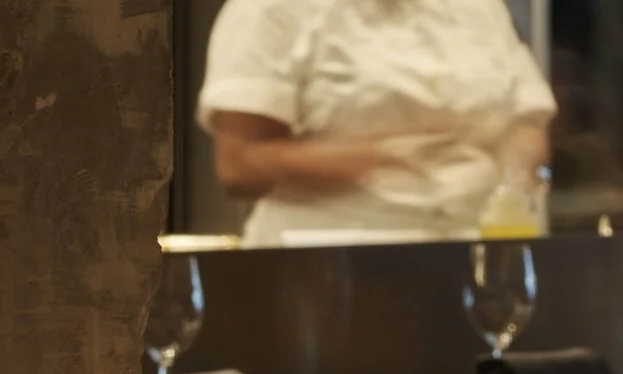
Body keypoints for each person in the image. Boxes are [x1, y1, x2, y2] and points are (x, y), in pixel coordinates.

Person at [199, 0, 557, 239]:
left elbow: (526, 117)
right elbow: (239, 164)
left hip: (473, 256)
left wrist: (516, 163)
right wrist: (386, 159)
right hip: (329, 266)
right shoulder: (269, 8)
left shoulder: (480, 7)